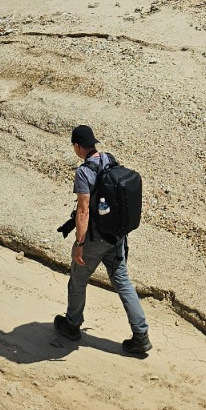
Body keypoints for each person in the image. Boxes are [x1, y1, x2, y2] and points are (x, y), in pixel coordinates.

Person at [52, 125, 151, 358]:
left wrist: (79, 244)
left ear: (77, 146)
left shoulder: (84, 173)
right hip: (116, 236)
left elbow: (84, 211)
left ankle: (72, 324)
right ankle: (141, 336)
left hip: (95, 240)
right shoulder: (109, 158)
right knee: (123, 282)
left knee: (78, 279)